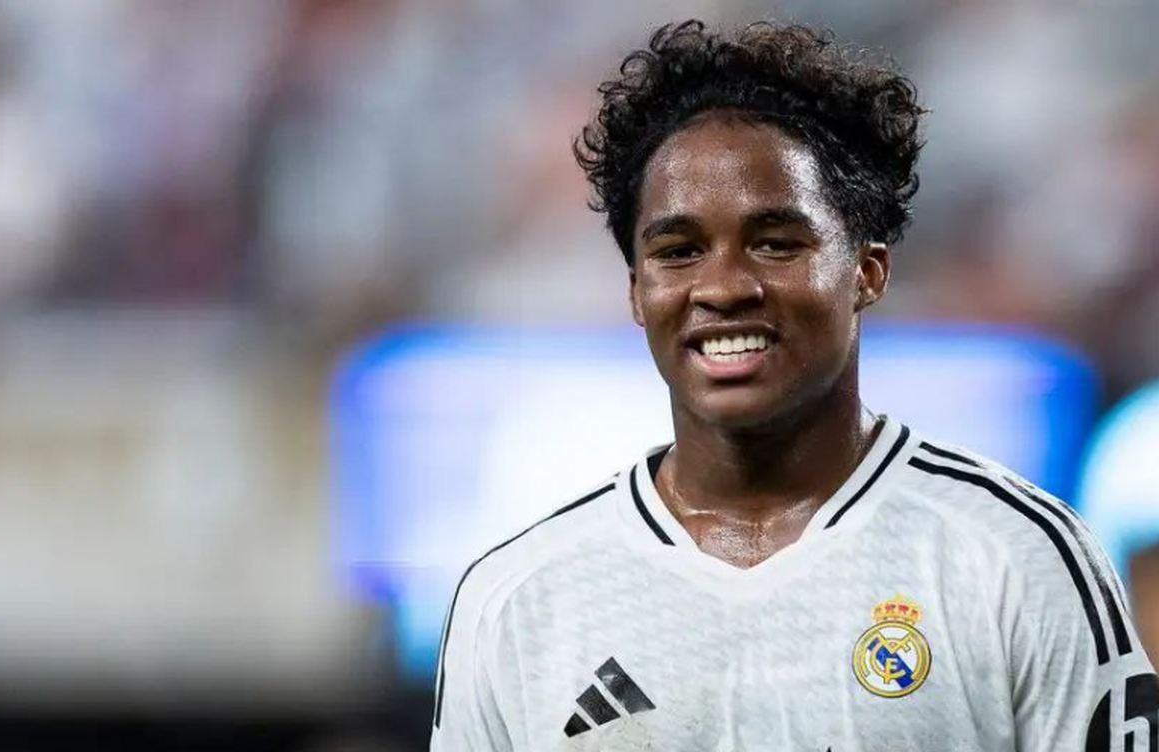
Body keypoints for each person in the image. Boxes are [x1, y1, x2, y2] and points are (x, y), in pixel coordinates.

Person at [429, 20, 1156, 751]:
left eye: (775, 244)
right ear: (636, 292)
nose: (723, 288)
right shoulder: (519, 598)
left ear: (867, 271)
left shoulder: (1016, 557)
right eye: (678, 251)